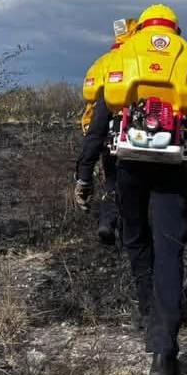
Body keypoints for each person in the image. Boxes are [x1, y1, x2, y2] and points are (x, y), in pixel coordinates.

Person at [73, 4, 187, 375]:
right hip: (173, 171)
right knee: (170, 251)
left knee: (136, 241)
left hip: (127, 169)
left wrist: (84, 176)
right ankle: (165, 351)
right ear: (175, 29)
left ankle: (147, 314)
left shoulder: (127, 56)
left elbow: (98, 127)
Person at [75, 19, 137, 245]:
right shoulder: (134, 63)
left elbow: (96, 117)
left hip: (104, 136)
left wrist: (84, 173)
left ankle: (108, 221)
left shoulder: (102, 63)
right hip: (136, 137)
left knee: (113, 181)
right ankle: (123, 228)